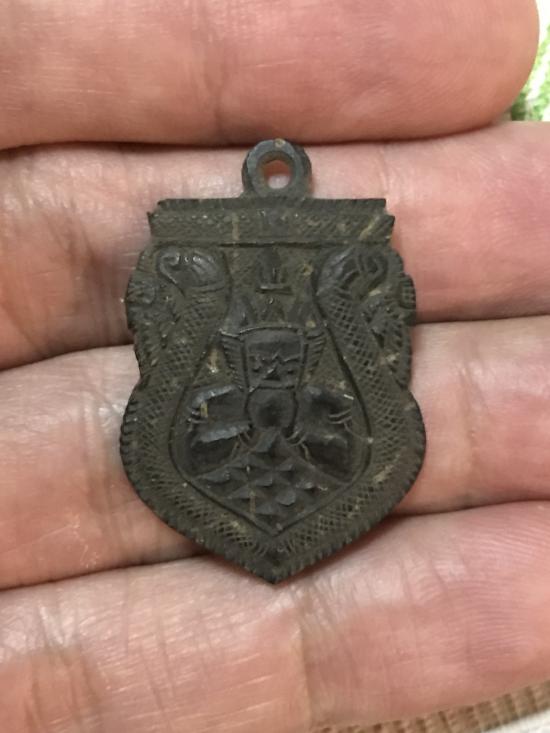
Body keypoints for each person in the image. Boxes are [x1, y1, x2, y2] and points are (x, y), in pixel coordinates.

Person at [0, 1, 546, 731]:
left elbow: (345, 434)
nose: (277, 368)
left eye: (288, 357)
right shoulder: (219, 397)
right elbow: (200, 431)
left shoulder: (322, 403)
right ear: (238, 354)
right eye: (265, 358)